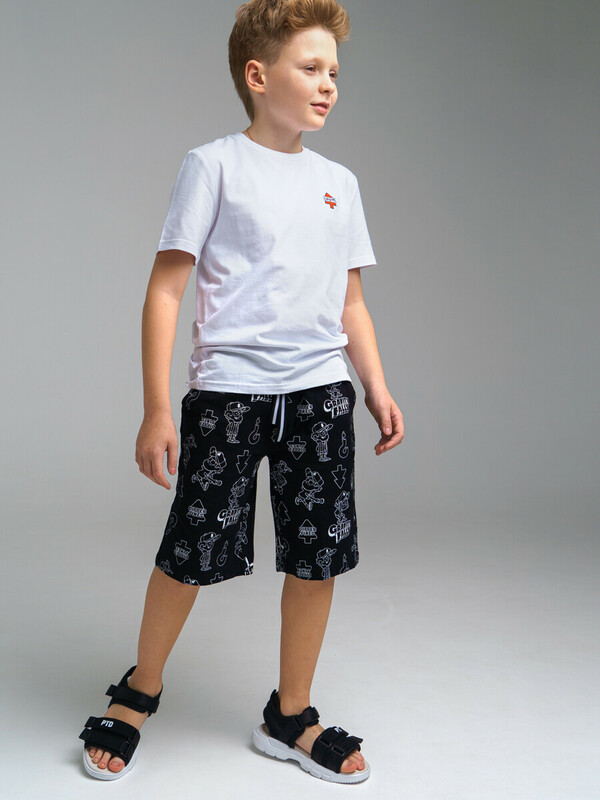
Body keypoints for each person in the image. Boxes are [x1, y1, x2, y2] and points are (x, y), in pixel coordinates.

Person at [78, 0, 404, 785]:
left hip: (320, 398)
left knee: (317, 560)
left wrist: (376, 384)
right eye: (311, 67)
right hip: (229, 397)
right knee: (190, 553)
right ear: (258, 76)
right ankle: (138, 690)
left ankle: (290, 714)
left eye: (334, 72)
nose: (328, 85)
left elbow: (351, 302)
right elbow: (166, 290)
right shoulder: (213, 165)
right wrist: (158, 407)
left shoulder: (339, 183)